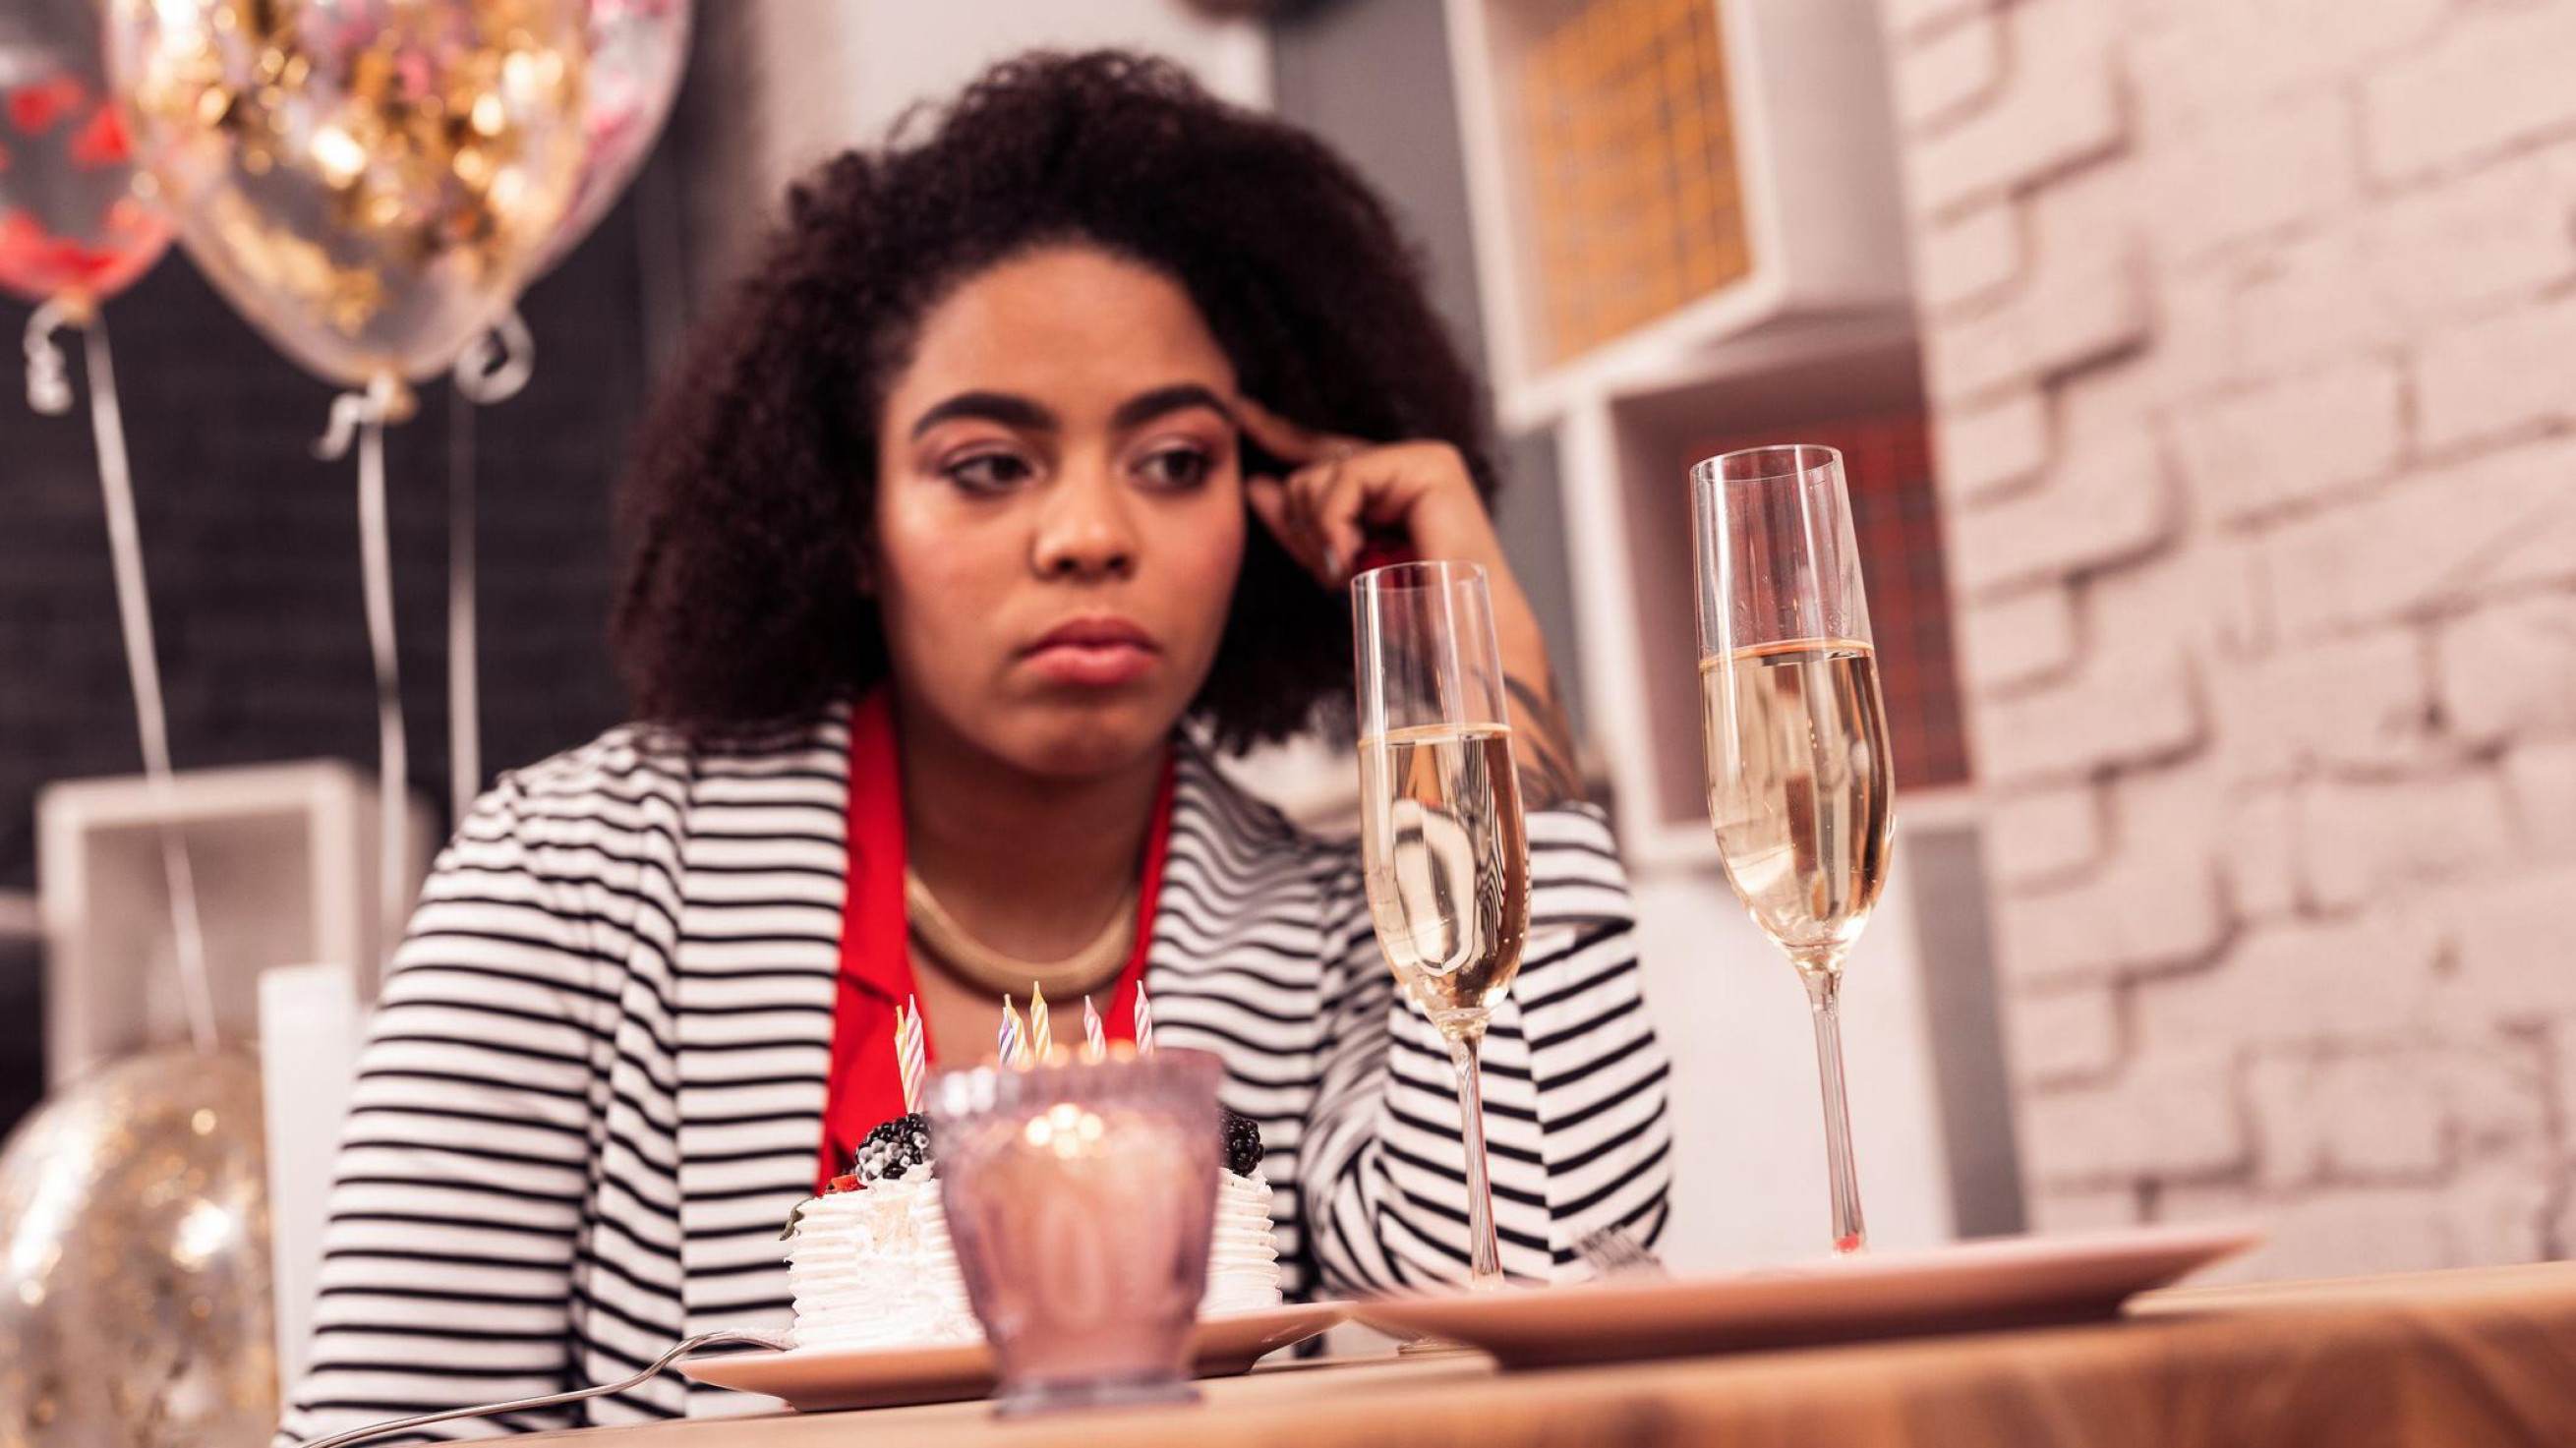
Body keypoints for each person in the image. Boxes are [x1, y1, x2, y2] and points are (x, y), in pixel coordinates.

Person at [277, 51, 1670, 1440]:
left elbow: (1550, 1282)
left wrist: (1480, 711)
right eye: (989, 466)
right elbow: (385, 1433)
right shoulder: (575, 880)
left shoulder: (1328, 933)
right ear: (849, 523)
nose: (1089, 533)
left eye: (1176, 461)